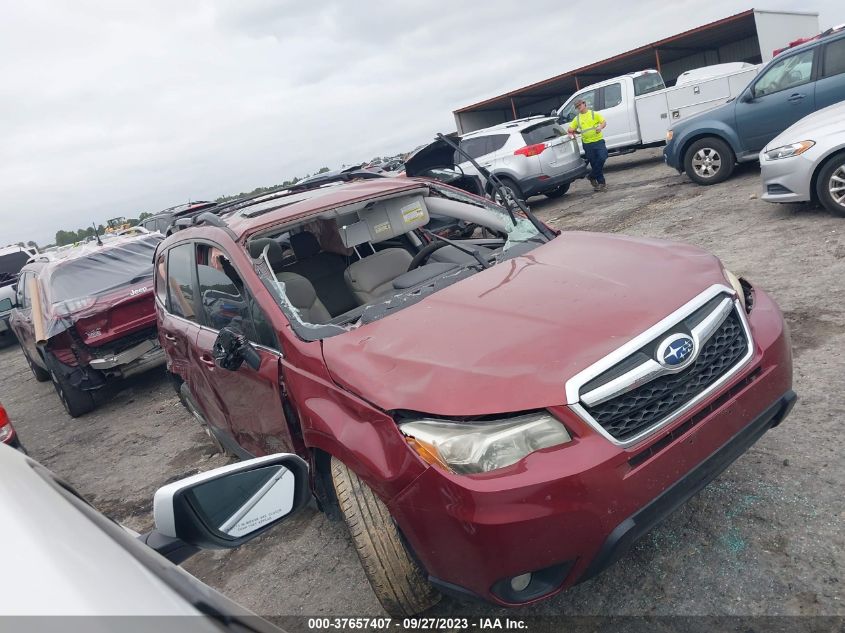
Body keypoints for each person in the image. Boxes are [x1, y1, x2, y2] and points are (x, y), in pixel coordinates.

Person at [567, 99, 608, 192]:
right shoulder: (577, 119)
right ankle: (601, 183)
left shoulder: (594, 114)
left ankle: (591, 176)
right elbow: (570, 129)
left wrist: (600, 127)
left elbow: (604, 122)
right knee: (594, 163)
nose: (579, 107)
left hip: (598, 141)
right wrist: (573, 131)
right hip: (587, 144)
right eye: (577, 107)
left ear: (584, 104)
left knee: (602, 157)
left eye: (580, 105)